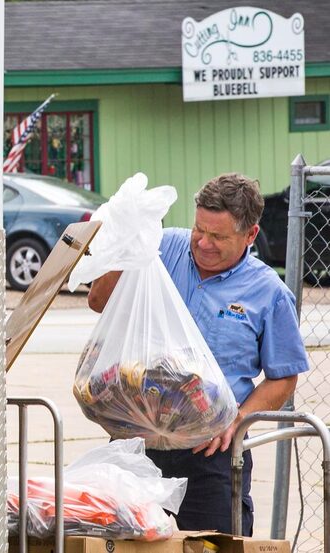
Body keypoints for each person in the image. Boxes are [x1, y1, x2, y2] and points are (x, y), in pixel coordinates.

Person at [87, 173, 310, 536]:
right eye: (198, 230)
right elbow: (99, 302)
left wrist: (238, 418)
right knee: (126, 542)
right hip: (135, 442)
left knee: (216, 543)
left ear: (250, 235)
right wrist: (126, 242)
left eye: (218, 236)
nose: (203, 243)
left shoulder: (268, 292)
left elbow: (284, 375)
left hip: (210, 453)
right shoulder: (160, 249)